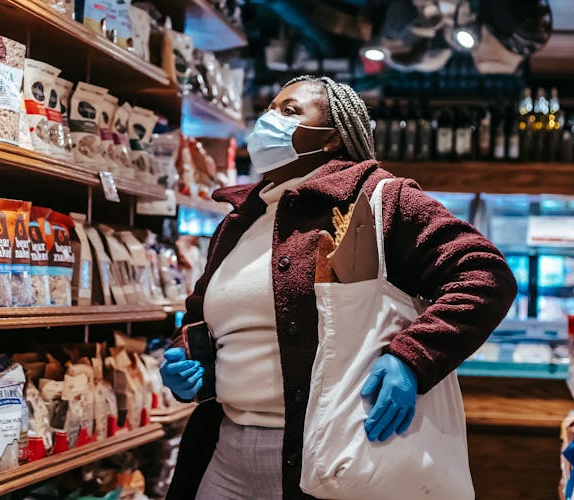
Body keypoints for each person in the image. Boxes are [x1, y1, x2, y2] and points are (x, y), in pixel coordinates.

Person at [160, 75, 517, 500]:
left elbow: (483, 274)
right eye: (269, 109)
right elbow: (202, 310)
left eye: (290, 111)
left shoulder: (380, 198)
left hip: (328, 454)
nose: (269, 120)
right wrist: (186, 353)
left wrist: (413, 358)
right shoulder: (239, 218)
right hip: (224, 447)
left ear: (331, 138)